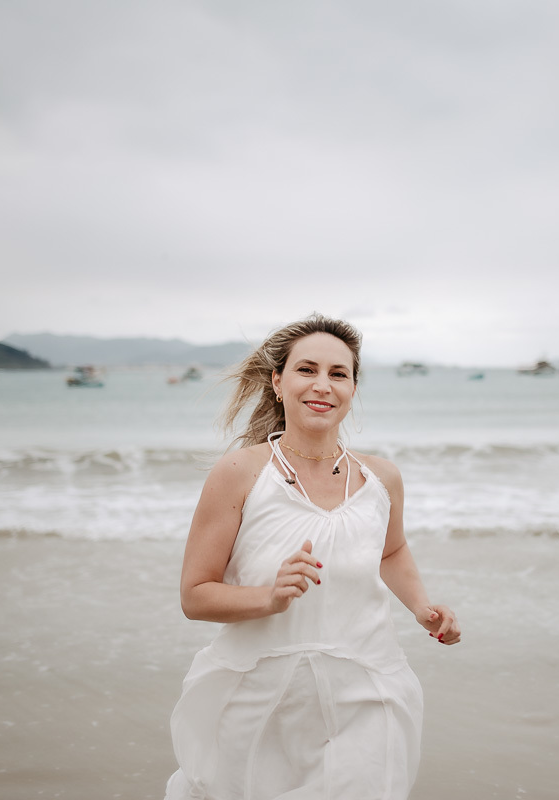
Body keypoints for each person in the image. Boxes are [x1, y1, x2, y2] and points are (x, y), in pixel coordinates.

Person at [164, 314, 461, 800]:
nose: (323, 385)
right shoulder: (240, 471)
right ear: (278, 382)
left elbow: (393, 550)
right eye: (307, 370)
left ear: (353, 388)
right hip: (260, 697)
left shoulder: (382, 478)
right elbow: (195, 596)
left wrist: (423, 608)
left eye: (338, 373)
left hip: (369, 689)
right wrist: (269, 598)